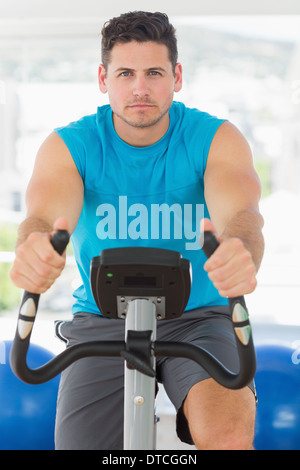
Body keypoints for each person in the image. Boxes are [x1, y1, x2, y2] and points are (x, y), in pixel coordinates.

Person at [10, 11, 264, 450]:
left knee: (228, 438)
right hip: (103, 319)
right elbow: (42, 217)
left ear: (177, 76)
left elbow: (242, 215)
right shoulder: (71, 145)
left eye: (154, 73)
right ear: (103, 78)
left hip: (199, 317)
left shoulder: (215, 137)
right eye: (125, 73)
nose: (140, 88)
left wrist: (240, 249)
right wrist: (34, 246)